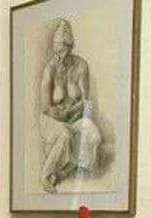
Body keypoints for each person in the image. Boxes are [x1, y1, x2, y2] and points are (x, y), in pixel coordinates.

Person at [38, 19, 102, 193]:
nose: (59, 55)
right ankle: (46, 174)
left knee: (93, 134)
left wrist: (77, 114)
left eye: (63, 50)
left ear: (70, 47)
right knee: (65, 134)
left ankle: (63, 173)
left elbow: (86, 102)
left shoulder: (81, 66)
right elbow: (45, 107)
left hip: (74, 116)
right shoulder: (49, 70)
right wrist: (62, 116)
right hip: (51, 119)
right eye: (56, 51)